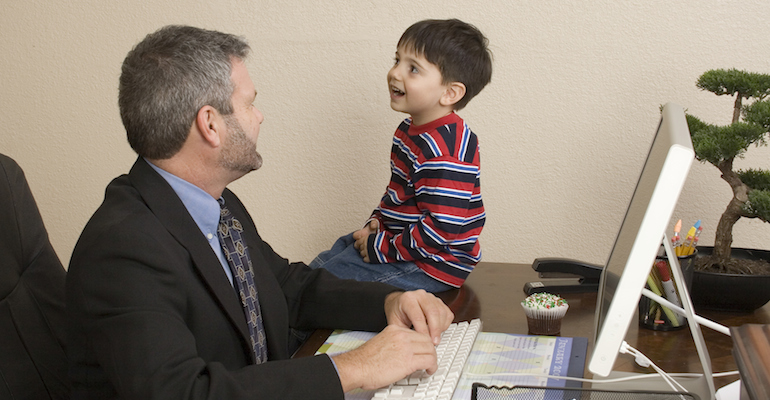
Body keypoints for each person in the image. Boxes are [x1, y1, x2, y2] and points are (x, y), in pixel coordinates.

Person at [66, 25, 454, 400]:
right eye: (249, 103)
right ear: (210, 125)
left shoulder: (213, 203)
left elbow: (285, 285)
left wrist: (389, 302)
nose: (259, 116)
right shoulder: (123, 249)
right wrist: (352, 369)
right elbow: (184, 392)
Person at [310, 19, 493, 293]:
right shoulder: (408, 129)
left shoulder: (447, 150)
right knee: (325, 262)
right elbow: (398, 193)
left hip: (434, 262)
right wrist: (376, 223)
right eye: (397, 60)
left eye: (413, 69)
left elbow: (441, 231)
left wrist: (380, 248)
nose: (395, 73)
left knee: (324, 287)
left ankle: (290, 332)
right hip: (404, 241)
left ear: (450, 92)